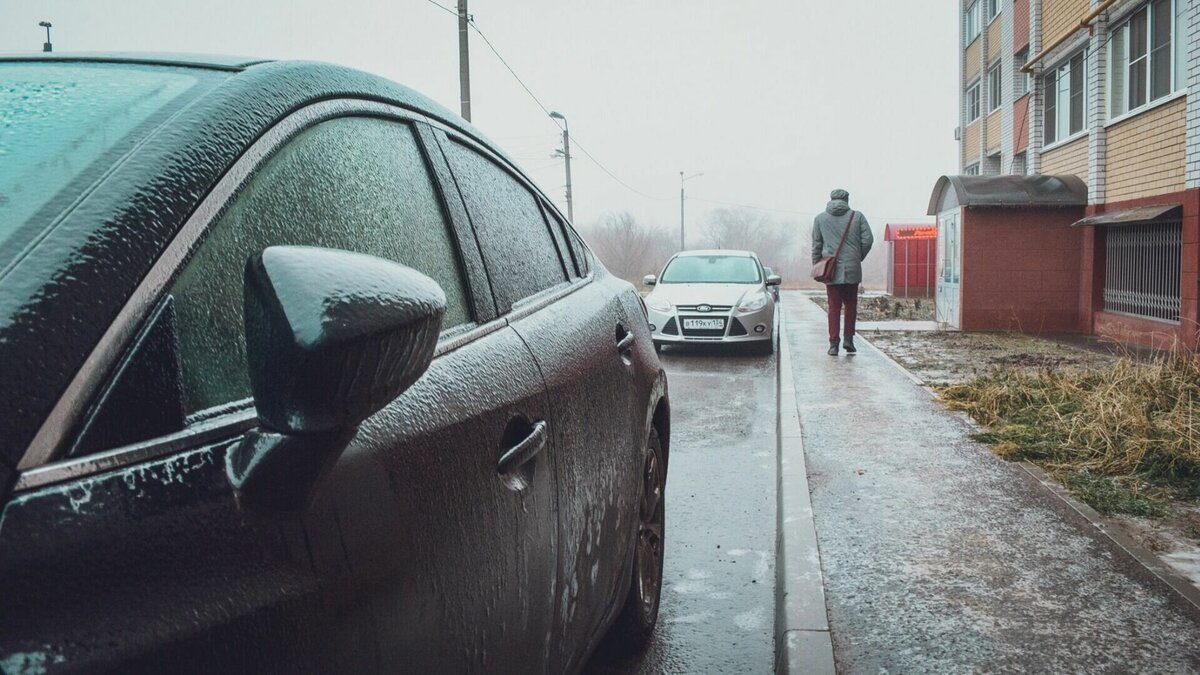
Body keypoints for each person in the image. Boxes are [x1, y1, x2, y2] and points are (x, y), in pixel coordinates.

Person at [812, 188, 873, 355]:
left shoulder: (819, 219)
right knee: (851, 305)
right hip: (852, 268)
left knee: (833, 307)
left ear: (831, 199)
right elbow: (868, 239)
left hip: (830, 269)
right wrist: (857, 256)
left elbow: (816, 244)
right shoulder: (857, 216)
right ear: (847, 199)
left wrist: (817, 266)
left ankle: (833, 344)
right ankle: (848, 339)